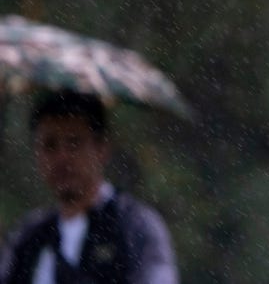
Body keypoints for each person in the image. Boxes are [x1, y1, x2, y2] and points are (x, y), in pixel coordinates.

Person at [0, 91, 179, 284]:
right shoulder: (31, 236)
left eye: (74, 143)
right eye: (50, 145)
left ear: (102, 149)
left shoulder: (133, 226)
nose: (62, 158)